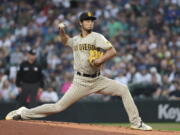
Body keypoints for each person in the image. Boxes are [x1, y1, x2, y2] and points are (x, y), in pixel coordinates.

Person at [5, 12, 152, 131]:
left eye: (91, 20)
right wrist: (61, 31)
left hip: (98, 80)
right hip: (80, 82)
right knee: (58, 107)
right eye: (87, 20)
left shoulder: (97, 37)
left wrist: (100, 61)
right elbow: (64, 41)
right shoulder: (75, 40)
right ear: (81, 23)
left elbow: (113, 51)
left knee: (124, 89)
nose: (90, 22)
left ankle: (136, 122)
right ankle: (23, 112)